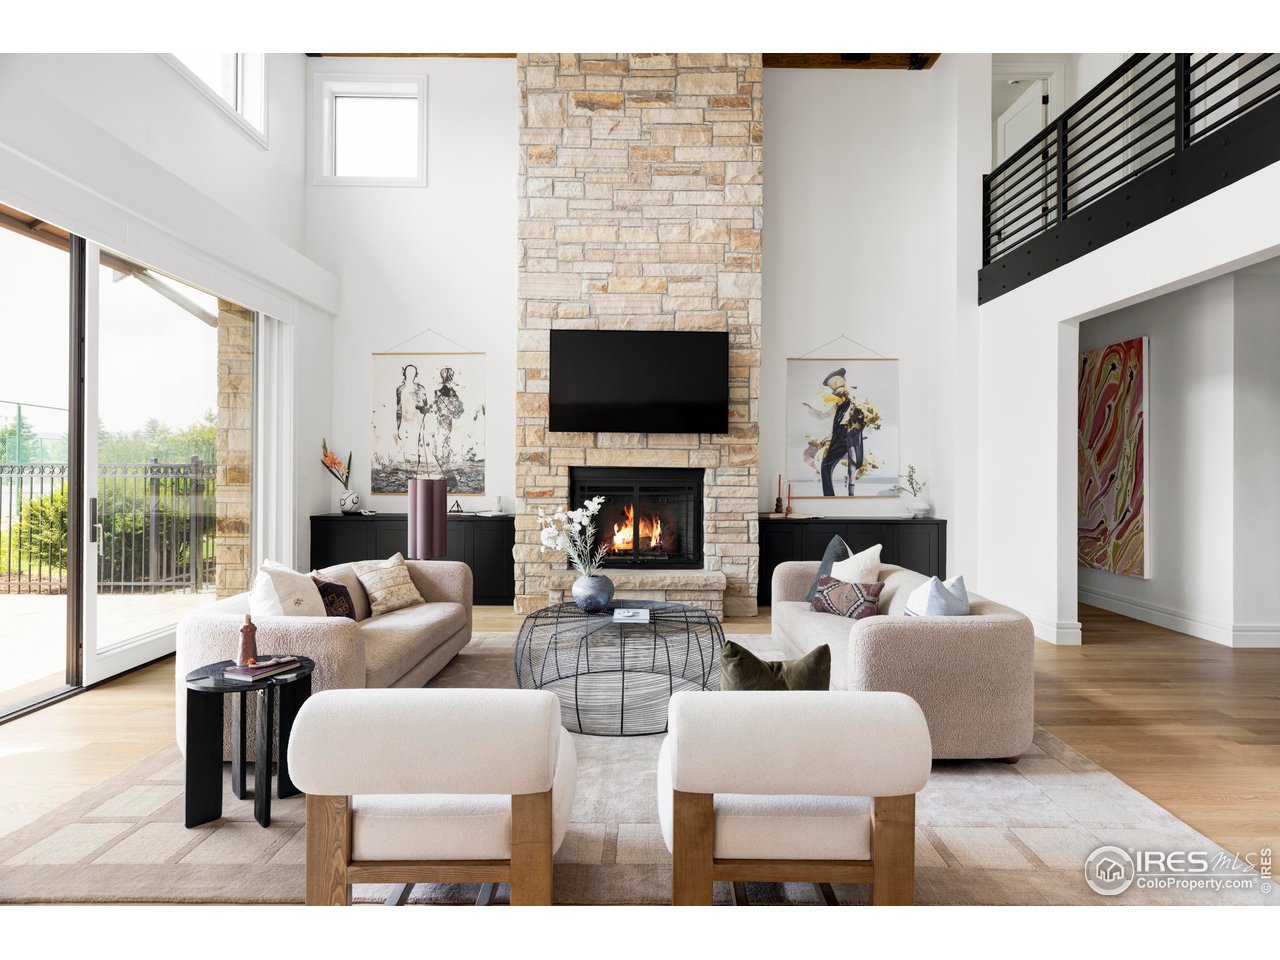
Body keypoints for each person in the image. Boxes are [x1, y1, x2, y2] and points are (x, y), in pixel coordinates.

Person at [804, 368, 865, 496]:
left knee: (844, 466)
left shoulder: (854, 398)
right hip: (837, 439)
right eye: (832, 386)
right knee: (826, 466)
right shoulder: (838, 404)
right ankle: (829, 497)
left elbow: (862, 417)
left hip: (848, 437)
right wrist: (811, 409)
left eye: (834, 383)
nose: (834, 388)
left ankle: (847, 495)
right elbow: (823, 416)